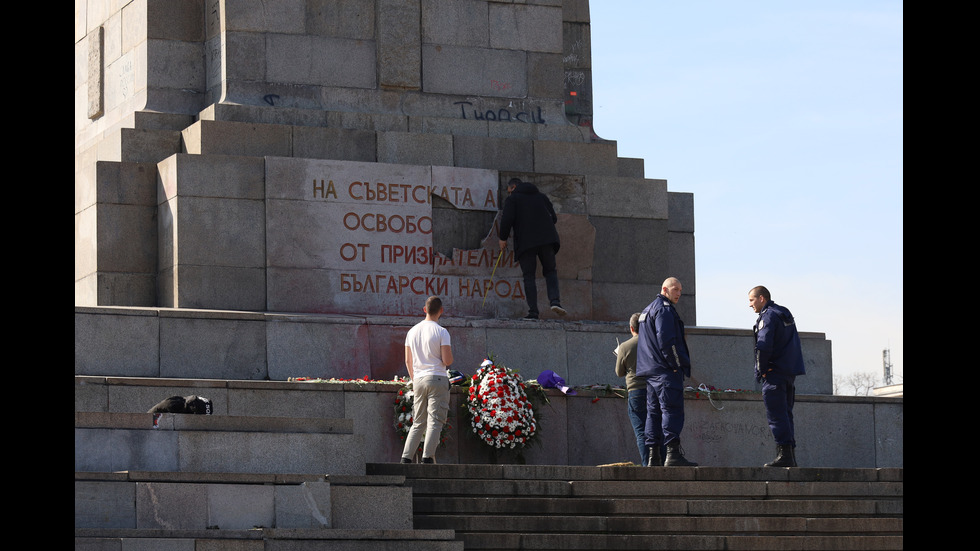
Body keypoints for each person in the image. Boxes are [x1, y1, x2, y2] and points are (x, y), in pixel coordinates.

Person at [636, 277, 697, 466]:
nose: (679, 293)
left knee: (653, 413)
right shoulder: (664, 309)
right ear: (665, 289)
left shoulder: (647, 310)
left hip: (650, 371)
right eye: (675, 289)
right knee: (672, 410)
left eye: (680, 290)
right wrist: (676, 364)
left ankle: (654, 456)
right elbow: (666, 341)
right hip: (665, 371)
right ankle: (672, 454)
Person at [749, 286, 806, 467]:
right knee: (786, 414)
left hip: (775, 373)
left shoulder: (768, 316)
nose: (749, 305)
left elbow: (763, 345)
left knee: (776, 415)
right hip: (789, 371)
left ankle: (784, 455)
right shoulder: (783, 312)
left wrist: (762, 370)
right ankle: (789, 455)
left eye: (751, 300)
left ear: (762, 298)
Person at [498, 177, 566, 319]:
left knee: (529, 276)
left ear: (514, 187)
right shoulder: (541, 197)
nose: (509, 194)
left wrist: (502, 238)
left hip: (526, 241)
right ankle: (555, 301)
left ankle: (533, 312)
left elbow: (507, 219)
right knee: (550, 271)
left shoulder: (513, 199)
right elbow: (553, 218)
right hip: (547, 240)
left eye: (509, 191)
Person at [401, 296, 454, 464]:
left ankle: (406, 457)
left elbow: (408, 361)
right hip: (437, 378)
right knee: (435, 420)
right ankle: (427, 457)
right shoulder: (441, 331)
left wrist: (414, 378)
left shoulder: (412, 332)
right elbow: (447, 361)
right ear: (441, 311)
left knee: (418, 421)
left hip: (419, 379)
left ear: (424, 309)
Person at [614, 312, 648, 466]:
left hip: (635, 391)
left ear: (631, 328)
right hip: (654, 391)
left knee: (641, 432)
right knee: (657, 430)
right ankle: (659, 464)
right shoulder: (653, 344)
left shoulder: (625, 346)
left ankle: (647, 464)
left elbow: (619, 372)